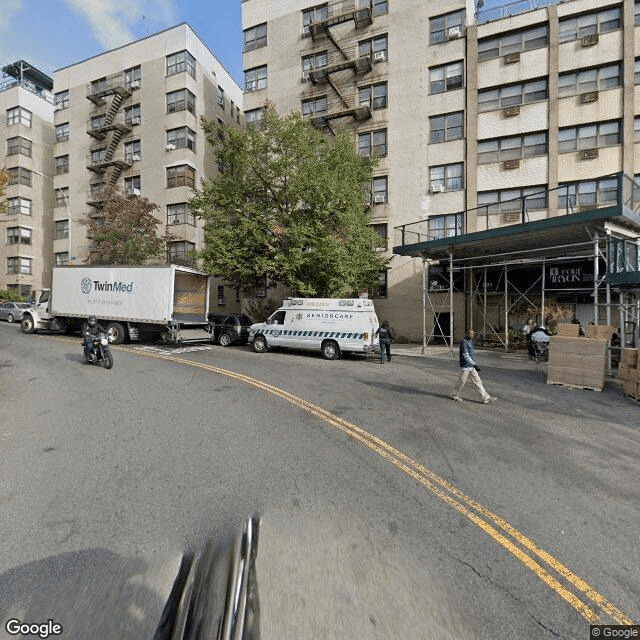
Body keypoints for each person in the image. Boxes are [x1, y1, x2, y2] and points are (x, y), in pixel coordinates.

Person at [450, 329, 496, 403]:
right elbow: (466, 355)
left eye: (472, 334)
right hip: (465, 367)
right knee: (461, 382)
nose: (472, 335)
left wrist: (473, 364)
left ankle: (485, 398)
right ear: (466, 334)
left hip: (471, 367)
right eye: (470, 334)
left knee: (478, 381)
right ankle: (453, 394)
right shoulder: (463, 342)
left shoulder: (470, 342)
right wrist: (474, 364)